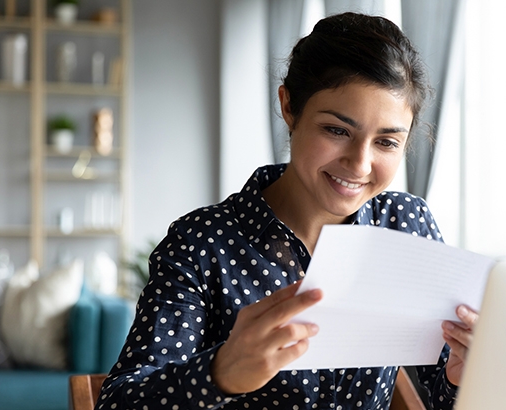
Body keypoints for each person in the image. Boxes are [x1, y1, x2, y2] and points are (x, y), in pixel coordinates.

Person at [96, 12, 478, 410]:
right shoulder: (201, 244)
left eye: (386, 142)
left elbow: (441, 391)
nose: (360, 165)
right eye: (337, 130)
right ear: (289, 107)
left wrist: (466, 379)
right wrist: (219, 374)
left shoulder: (406, 226)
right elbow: (118, 402)